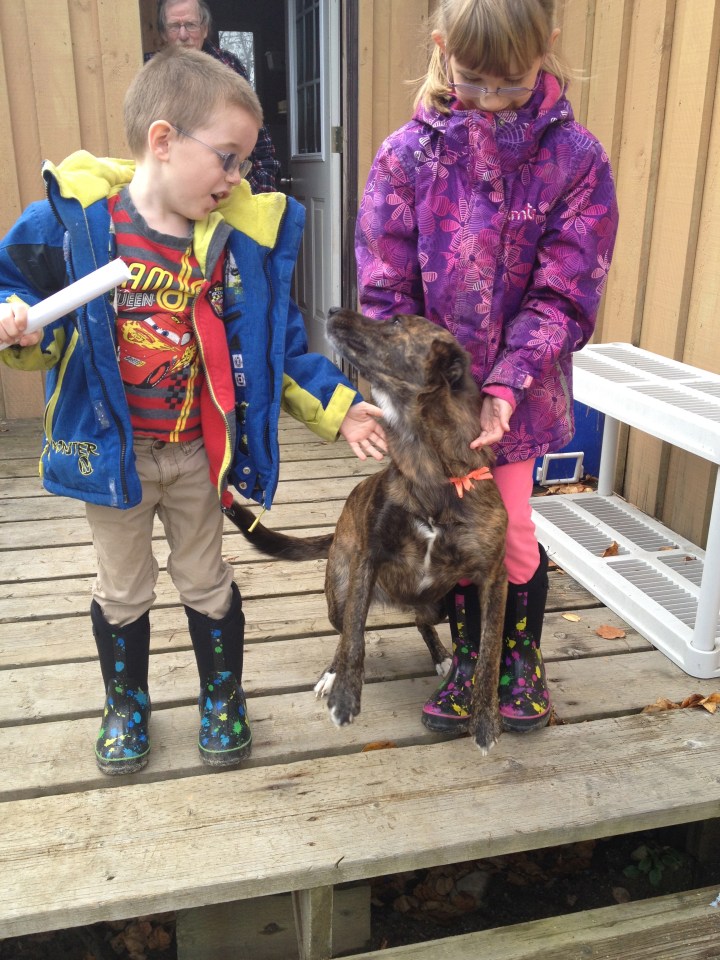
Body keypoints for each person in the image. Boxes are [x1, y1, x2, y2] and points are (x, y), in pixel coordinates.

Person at [0, 47, 385, 776]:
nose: (238, 177)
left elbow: (276, 351)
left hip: (194, 456)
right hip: (111, 454)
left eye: (243, 163)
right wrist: (13, 317)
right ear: (164, 140)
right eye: (229, 158)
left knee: (206, 578)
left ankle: (221, 696)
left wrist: (342, 409)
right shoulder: (76, 225)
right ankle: (125, 705)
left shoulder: (229, 246)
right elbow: (13, 291)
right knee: (122, 588)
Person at [355, 0, 618, 736]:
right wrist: (405, 394)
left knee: (512, 533)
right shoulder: (405, 157)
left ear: (548, 51)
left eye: (512, 81)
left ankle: (518, 660)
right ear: (443, 50)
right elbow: (384, 291)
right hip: (436, 415)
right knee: (455, 532)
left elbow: (565, 288)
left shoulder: (577, 160)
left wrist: (506, 382)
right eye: (475, 80)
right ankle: (471, 660)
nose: (494, 97)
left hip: (520, 399)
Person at [157, 0, 281, 193]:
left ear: (205, 29)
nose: (183, 35)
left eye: (191, 25)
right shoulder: (150, 72)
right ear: (164, 34)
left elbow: (257, 134)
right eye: (174, 26)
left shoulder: (229, 65)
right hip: (176, 194)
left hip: (233, 192)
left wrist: (261, 191)